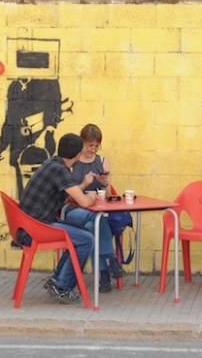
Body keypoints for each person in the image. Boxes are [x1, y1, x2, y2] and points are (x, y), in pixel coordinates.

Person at [18, 133, 101, 304]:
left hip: (29, 224)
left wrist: (83, 185)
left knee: (79, 234)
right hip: (35, 229)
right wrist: (93, 197)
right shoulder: (60, 170)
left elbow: (68, 195)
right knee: (86, 239)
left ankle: (58, 280)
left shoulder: (52, 164)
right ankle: (63, 287)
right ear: (77, 154)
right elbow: (84, 201)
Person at [60, 123, 123, 293]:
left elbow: (110, 196)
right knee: (96, 221)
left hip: (98, 209)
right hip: (75, 210)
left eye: (96, 145)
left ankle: (103, 272)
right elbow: (67, 196)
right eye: (90, 145)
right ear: (82, 143)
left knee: (93, 225)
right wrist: (84, 184)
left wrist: (106, 184)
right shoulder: (72, 161)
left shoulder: (102, 162)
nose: (93, 149)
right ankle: (109, 263)